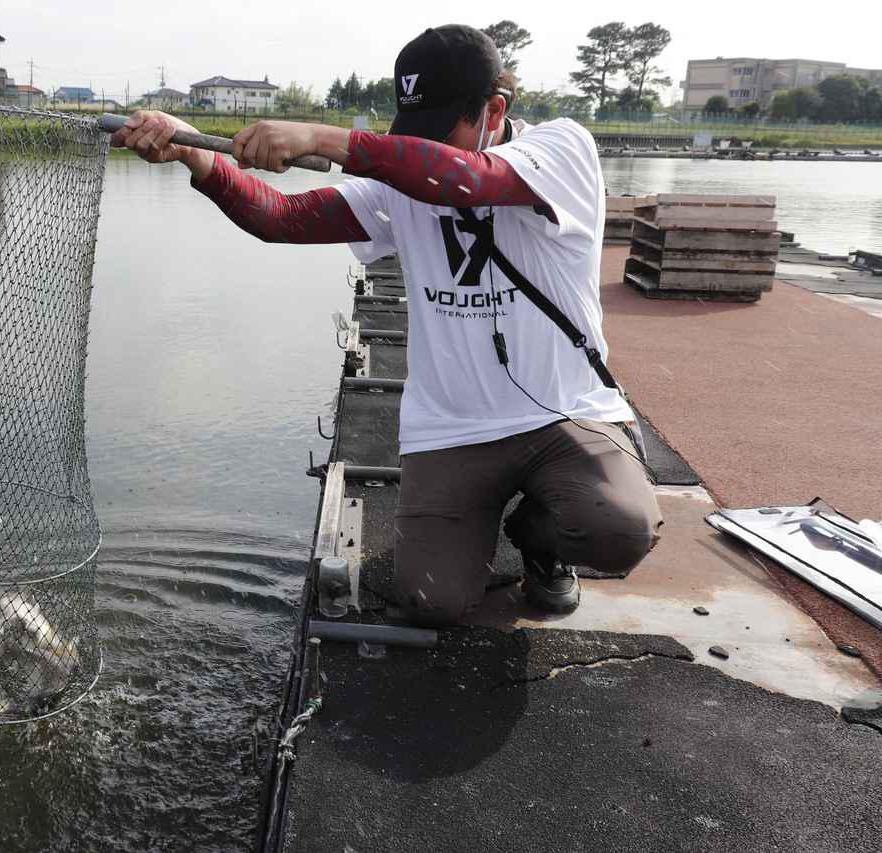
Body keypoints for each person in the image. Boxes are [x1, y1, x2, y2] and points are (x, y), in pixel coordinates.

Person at [112, 24, 662, 625]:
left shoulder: (561, 150)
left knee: (617, 529)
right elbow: (282, 216)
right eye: (415, 131)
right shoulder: (401, 184)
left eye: (442, 128)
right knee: (434, 602)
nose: (424, 147)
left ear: (494, 111)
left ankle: (540, 543)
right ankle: (464, 534)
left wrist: (321, 137)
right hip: (453, 429)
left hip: (563, 412)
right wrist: (196, 156)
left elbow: (468, 180)